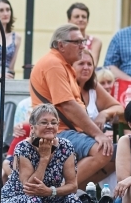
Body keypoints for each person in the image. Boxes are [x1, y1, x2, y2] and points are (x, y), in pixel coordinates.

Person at [30, 24, 114, 186]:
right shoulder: (54, 64)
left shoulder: (64, 66)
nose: (83, 46)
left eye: (83, 41)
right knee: (104, 151)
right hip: (57, 132)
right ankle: (57, 193)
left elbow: (118, 106)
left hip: (67, 132)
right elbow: (67, 105)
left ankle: (70, 193)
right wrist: (98, 134)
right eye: (77, 42)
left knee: (117, 156)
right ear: (61, 45)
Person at [73, 49, 123, 134]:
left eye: (89, 64)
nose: (86, 67)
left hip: (96, 139)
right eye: (81, 63)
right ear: (71, 66)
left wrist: (104, 114)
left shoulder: (93, 87)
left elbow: (119, 108)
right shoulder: (66, 86)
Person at [67, 2, 103, 67]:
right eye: (77, 17)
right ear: (69, 21)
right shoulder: (64, 41)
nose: (80, 19)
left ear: (88, 21)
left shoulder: (95, 42)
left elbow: (93, 64)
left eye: (83, 17)